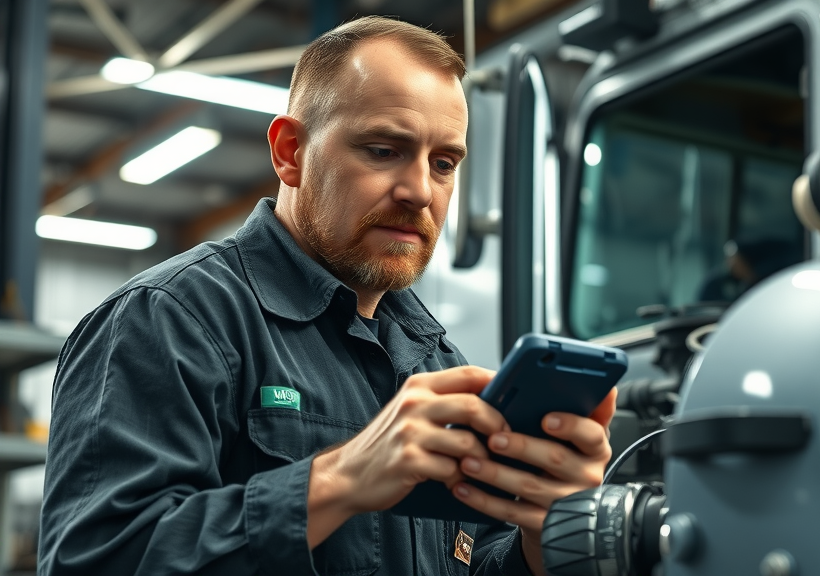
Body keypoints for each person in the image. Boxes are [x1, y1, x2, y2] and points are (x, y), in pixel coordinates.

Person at [38, 16, 615, 576]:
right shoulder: (167, 320)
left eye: (443, 163)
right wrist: (339, 481)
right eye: (383, 150)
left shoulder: (436, 360)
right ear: (290, 152)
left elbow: (475, 559)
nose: (420, 191)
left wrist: (545, 534)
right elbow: (97, 559)